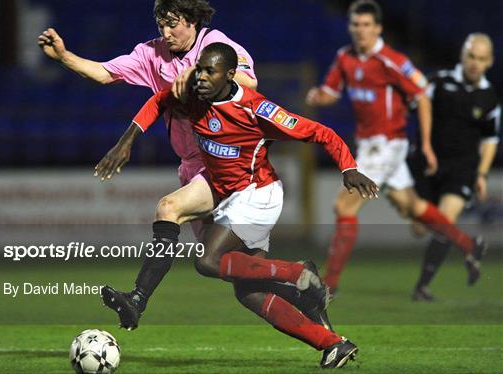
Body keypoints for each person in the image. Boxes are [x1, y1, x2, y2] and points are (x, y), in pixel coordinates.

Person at [103, 42, 379, 368]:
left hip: (257, 194)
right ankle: (333, 343)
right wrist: (126, 141)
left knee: (207, 261)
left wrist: (348, 167)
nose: (201, 77)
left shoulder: (256, 110)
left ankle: (298, 272)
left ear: (230, 75)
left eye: (210, 71)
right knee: (250, 293)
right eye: (199, 69)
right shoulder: (193, 94)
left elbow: (321, 132)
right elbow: (159, 100)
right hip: (227, 194)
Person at [38, 0, 258, 315]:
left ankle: (137, 299)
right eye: (161, 25)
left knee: (168, 208)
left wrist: (202, 75)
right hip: (192, 166)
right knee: (230, 268)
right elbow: (104, 73)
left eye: (173, 24)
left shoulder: (217, 46)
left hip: (224, 158)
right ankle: (302, 286)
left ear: (192, 20)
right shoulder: (151, 54)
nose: (166, 32)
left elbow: (250, 83)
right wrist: (66, 57)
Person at [305, 0, 486, 296]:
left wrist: (426, 144)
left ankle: (329, 286)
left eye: (367, 25)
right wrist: (319, 96)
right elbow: (331, 92)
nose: (361, 31)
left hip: (387, 144)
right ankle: (469, 245)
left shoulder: (391, 60)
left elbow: (424, 96)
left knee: (343, 204)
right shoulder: (344, 58)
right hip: (369, 145)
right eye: (356, 25)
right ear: (350, 27)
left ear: (378, 28)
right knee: (411, 206)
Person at [409, 33, 500, 301]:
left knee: (445, 222)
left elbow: (490, 140)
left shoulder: (489, 97)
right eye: (472, 56)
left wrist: (481, 173)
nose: (475, 63)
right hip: (428, 166)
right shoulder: (438, 82)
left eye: (482, 59)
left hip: (462, 168)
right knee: (419, 228)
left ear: (490, 62)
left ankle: (422, 287)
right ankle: (470, 247)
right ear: (463, 55)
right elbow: (416, 106)